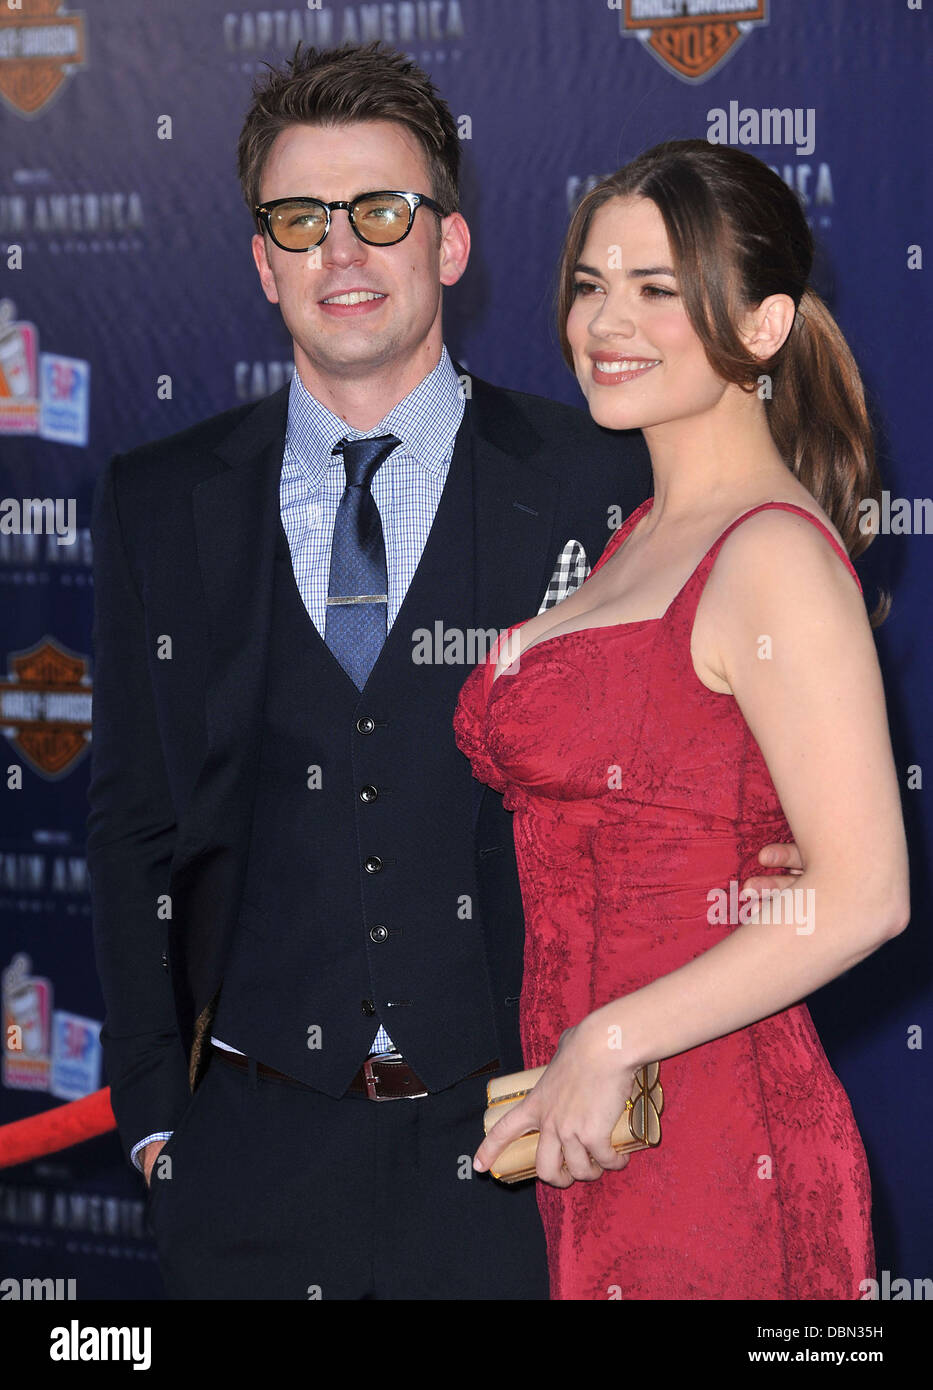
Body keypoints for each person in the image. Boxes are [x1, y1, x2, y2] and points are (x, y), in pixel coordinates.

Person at [88, 46, 799, 1301]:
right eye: (301, 219)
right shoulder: (160, 504)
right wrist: (155, 1120)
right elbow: (134, 823)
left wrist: (763, 846)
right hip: (248, 1164)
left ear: (451, 248)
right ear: (262, 261)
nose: (342, 252)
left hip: (528, 1155)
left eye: (383, 212)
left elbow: (734, 740)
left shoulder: (606, 477)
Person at [454, 139, 910, 1301]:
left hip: (718, 1138)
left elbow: (864, 892)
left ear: (762, 328)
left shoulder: (771, 554)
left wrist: (607, 1038)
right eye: (593, 283)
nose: (607, 321)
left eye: (659, 288)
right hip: (601, 1131)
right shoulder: (643, 535)